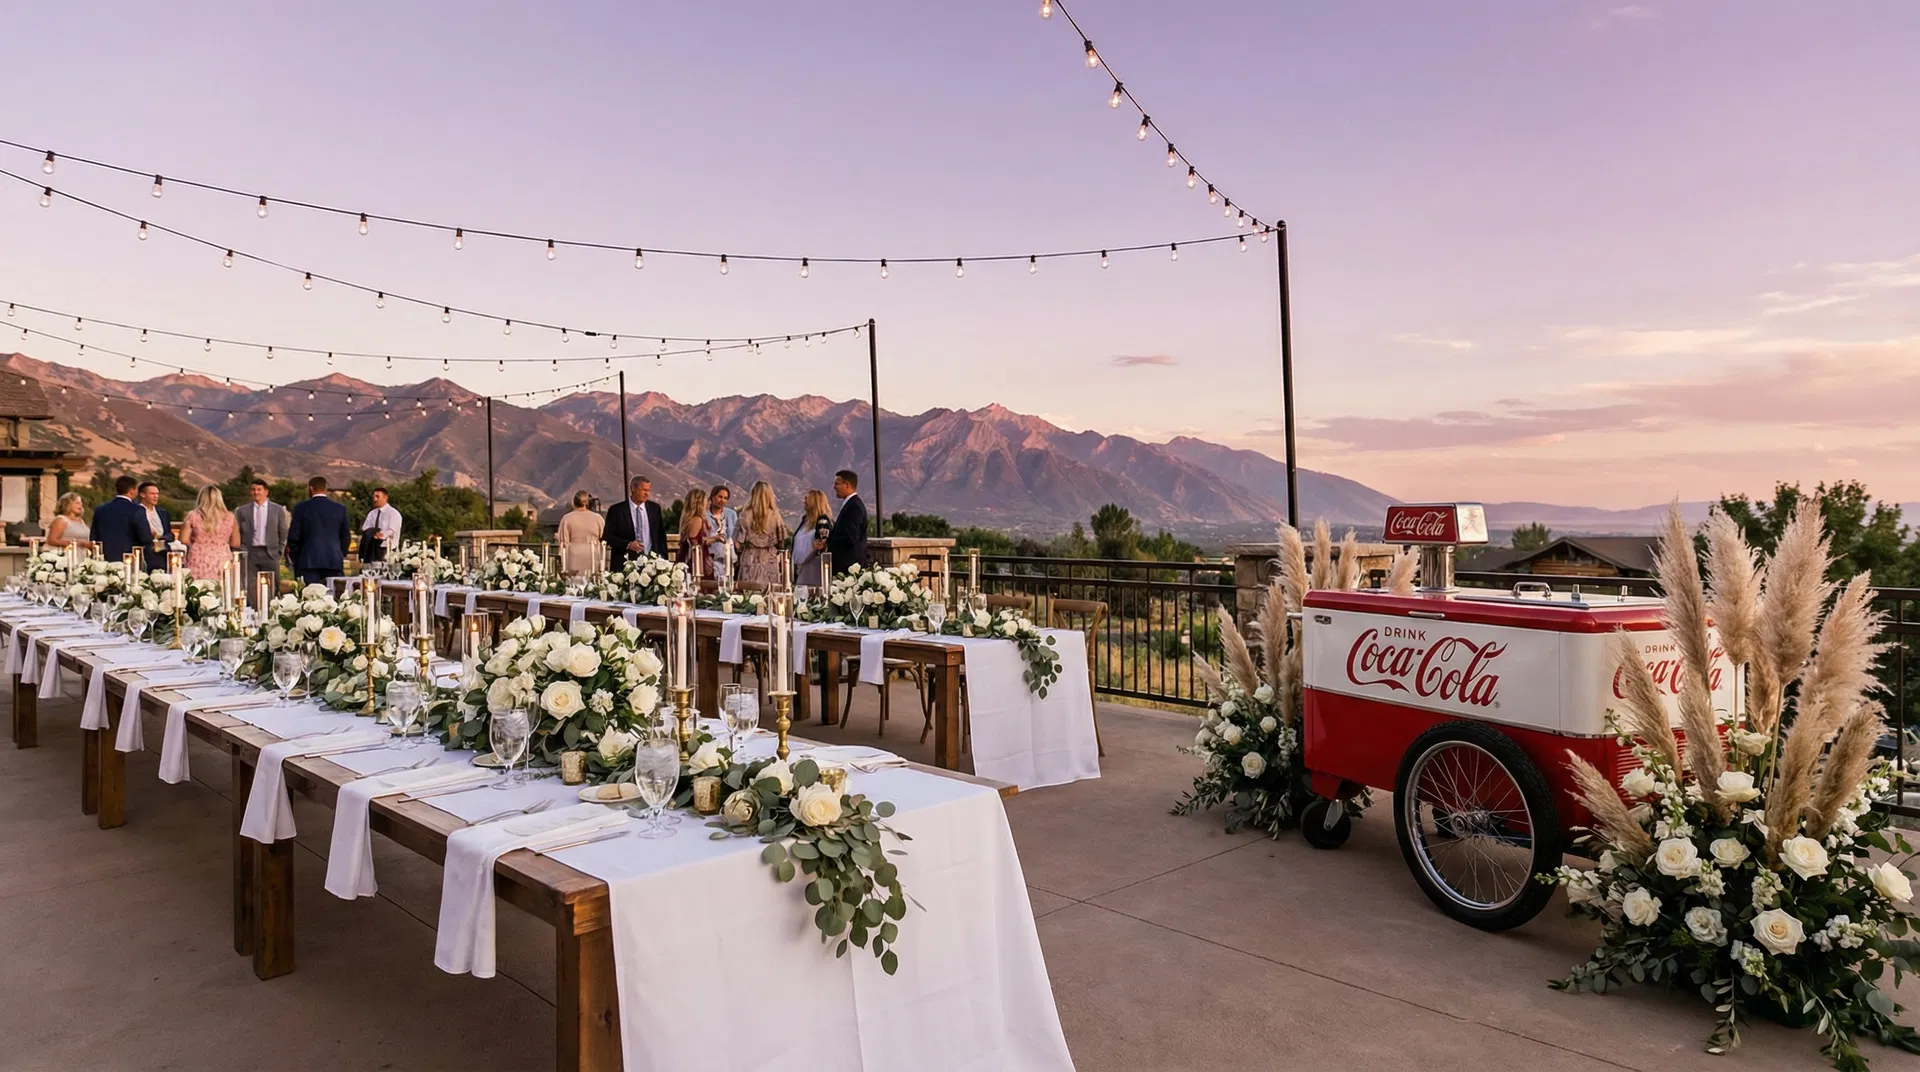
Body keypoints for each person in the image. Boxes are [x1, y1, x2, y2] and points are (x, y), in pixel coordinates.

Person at [286, 476, 350, 586]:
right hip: (333, 561)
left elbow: (294, 537)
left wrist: (297, 558)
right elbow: (345, 537)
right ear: (325, 489)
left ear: (310, 488)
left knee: (310, 598)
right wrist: (340, 554)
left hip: (308, 563)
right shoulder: (340, 509)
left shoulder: (301, 508)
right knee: (333, 599)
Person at [236, 478, 290, 605]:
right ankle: (251, 611)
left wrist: (280, 551)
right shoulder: (242, 511)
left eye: (259, 490)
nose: (256, 492)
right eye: (253, 490)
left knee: (273, 585)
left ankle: (271, 610)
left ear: (266, 492)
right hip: (250, 552)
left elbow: (282, 531)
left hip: (270, 552)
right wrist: (241, 550)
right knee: (248, 585)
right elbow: (237, 532)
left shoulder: (277, 510)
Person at [603, 475, 667, 570]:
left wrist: (663, 561)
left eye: (648, 490)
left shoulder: (654, 509)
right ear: (633, 488)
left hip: (651, 566)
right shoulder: (617, 510)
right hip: (624, 565)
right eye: (644, 490)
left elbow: (660, 536)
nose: (647, 494)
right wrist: (628, 544)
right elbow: (607, 537)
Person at [734, 481, 789, 588]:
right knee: (770, 593)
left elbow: (737, 545)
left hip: (749, 558)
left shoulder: (744, 515)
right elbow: (782, 543)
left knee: (748, 593)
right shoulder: (776, 516)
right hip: (769, 559)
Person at [182, 485, 240, 581]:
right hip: (222, 558)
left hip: (198, 558)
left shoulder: (193, 515)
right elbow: (236, 543)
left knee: (198, 590)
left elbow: (183, 539)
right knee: (222, 590)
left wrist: (195, 543)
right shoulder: (230, 517)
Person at [92, 475, 150, 563]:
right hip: (128, 558)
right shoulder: (137, 510)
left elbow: (93, 537)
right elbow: (144, 537)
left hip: (103, 558)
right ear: (131, 490)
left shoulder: (100, 509)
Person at [825, 469, 870, 575]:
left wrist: (829, 541)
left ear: (847, 485)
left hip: (848, 569)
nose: (834, 487)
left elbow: (850, 537)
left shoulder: (854, 507)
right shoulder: (850, 505)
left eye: (837, 484)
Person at [557, 490, 605, 575]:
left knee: (574, 584)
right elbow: (604, 538)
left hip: (573, 555)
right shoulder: (598, 518)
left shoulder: (567, 518)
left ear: (574, 502)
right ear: (587, 503)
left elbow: (564, 541)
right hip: (592, 554)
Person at [792, 488, 831, 588]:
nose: (804, 501)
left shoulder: (822, 522)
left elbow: (821, 546)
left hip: (812, 568)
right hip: (799, 568)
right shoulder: (805, 521)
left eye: (807, 499)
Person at [138, 481, 175, 571]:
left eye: (157, 494)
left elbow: (170, 534)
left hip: (164, 550)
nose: (156, 496)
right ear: (143, 494)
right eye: (152, 494)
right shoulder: (136, 512)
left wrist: (160, 537)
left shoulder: (163, 513)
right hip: (146, 551)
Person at [358, 486, 401, 564]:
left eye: (377, 497)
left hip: (386, 550)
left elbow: (391, 531)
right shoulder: (372, 514)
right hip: (372, 549)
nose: (374, 499)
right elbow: (365, 528)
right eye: (373, 497)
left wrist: (380, 535)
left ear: (385, 498)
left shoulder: (393, 513)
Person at [707, 484, 738, 582]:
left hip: (728, 558)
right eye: (720, 497)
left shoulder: (731, 514)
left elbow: (734, 534)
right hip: (712, 559)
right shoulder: (705, 515)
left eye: (725, 498)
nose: (722, 500)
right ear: (712, 496)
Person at [676, 488, 711, 575]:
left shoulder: (690, 519)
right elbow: (694, 542)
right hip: (695, 560)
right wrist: (716, 538)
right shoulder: (697, 520)